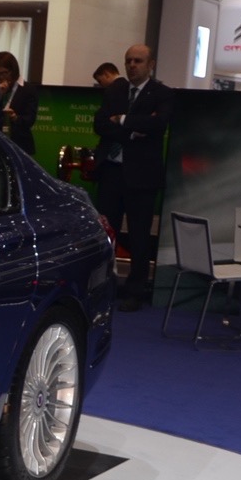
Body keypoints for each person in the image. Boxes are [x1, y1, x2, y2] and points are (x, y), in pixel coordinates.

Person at [92, 44, 173, 311]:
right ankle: (103, 285)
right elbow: (99, 124)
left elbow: (158, 124)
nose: (132, 65)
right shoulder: (115, 90)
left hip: (141, 175)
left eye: (138, 61)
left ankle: (135, 290)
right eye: (128, 60)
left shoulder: (161, 93)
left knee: (139, 235)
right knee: (107, 233)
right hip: (111, 172)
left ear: (151, 64)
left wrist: (122, 119)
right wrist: (133, 130)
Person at [0, 49, 38, 161]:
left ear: (13, 70)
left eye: (5, 73)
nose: (2, 77)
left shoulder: (28, 89)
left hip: (20, 143)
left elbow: (30, 119)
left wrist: (15, 117)